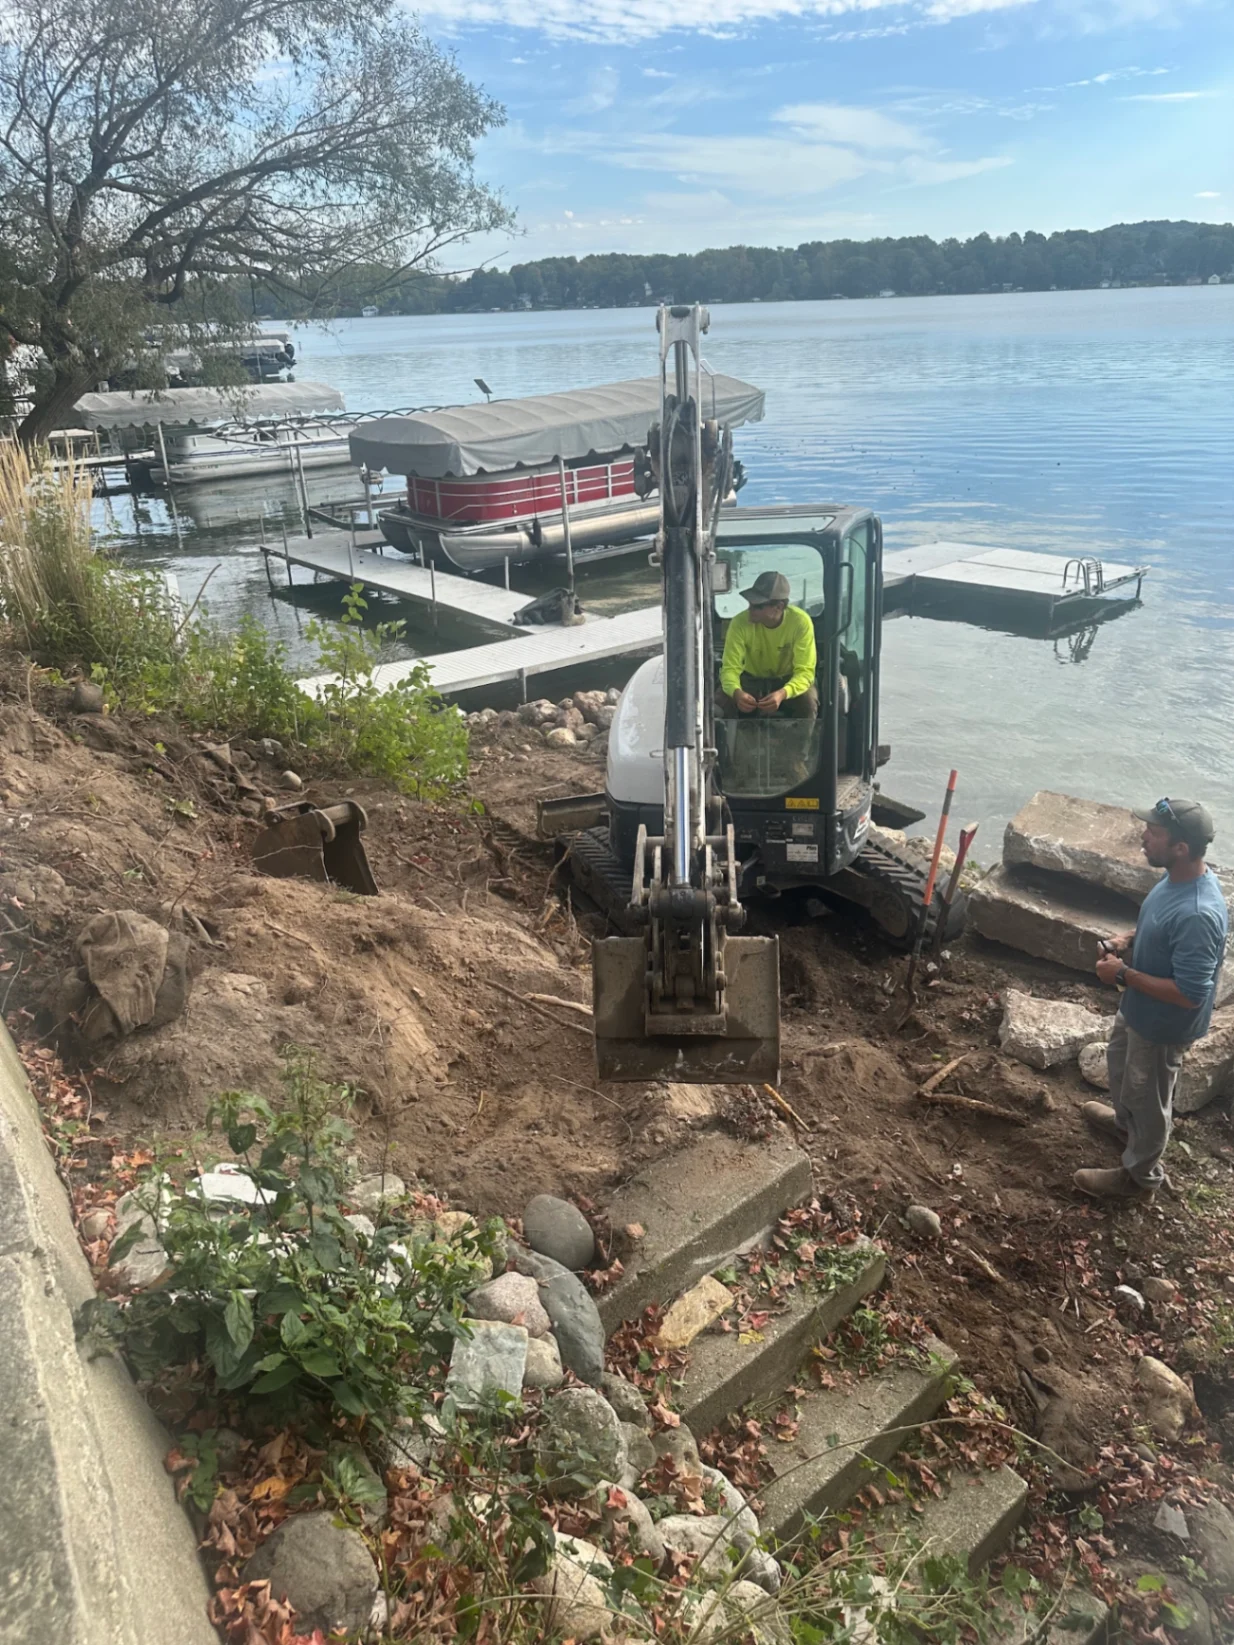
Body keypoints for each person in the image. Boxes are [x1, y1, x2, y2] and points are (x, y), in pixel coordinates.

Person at [1076, 797, 1228, 1203]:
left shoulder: (1199, 913)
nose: (1142, 836)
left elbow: (1190, 994)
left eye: (1153, 833)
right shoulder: (1175, 879)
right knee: (1122, 1069)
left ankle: (1139, 1179)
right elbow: (1160, 927)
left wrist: (1122, 974)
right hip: (1139, 1007)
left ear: (1181, 847)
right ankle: (1127, 1127)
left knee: (1148, 1098)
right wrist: (1126, 941)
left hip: (1163, 1027)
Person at [718, 570, 818, 719]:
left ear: (779, 606)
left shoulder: (800, 623)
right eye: (750, 604)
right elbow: (729, 669)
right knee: (721, 700)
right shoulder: (739, 623)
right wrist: (736, 692)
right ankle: (725, 735)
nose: (750, 609)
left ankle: (804, 735)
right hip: (749, 680)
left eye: (757, 606)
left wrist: (783, 693)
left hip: (787, 680)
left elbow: (805, 672)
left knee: (808, 701)